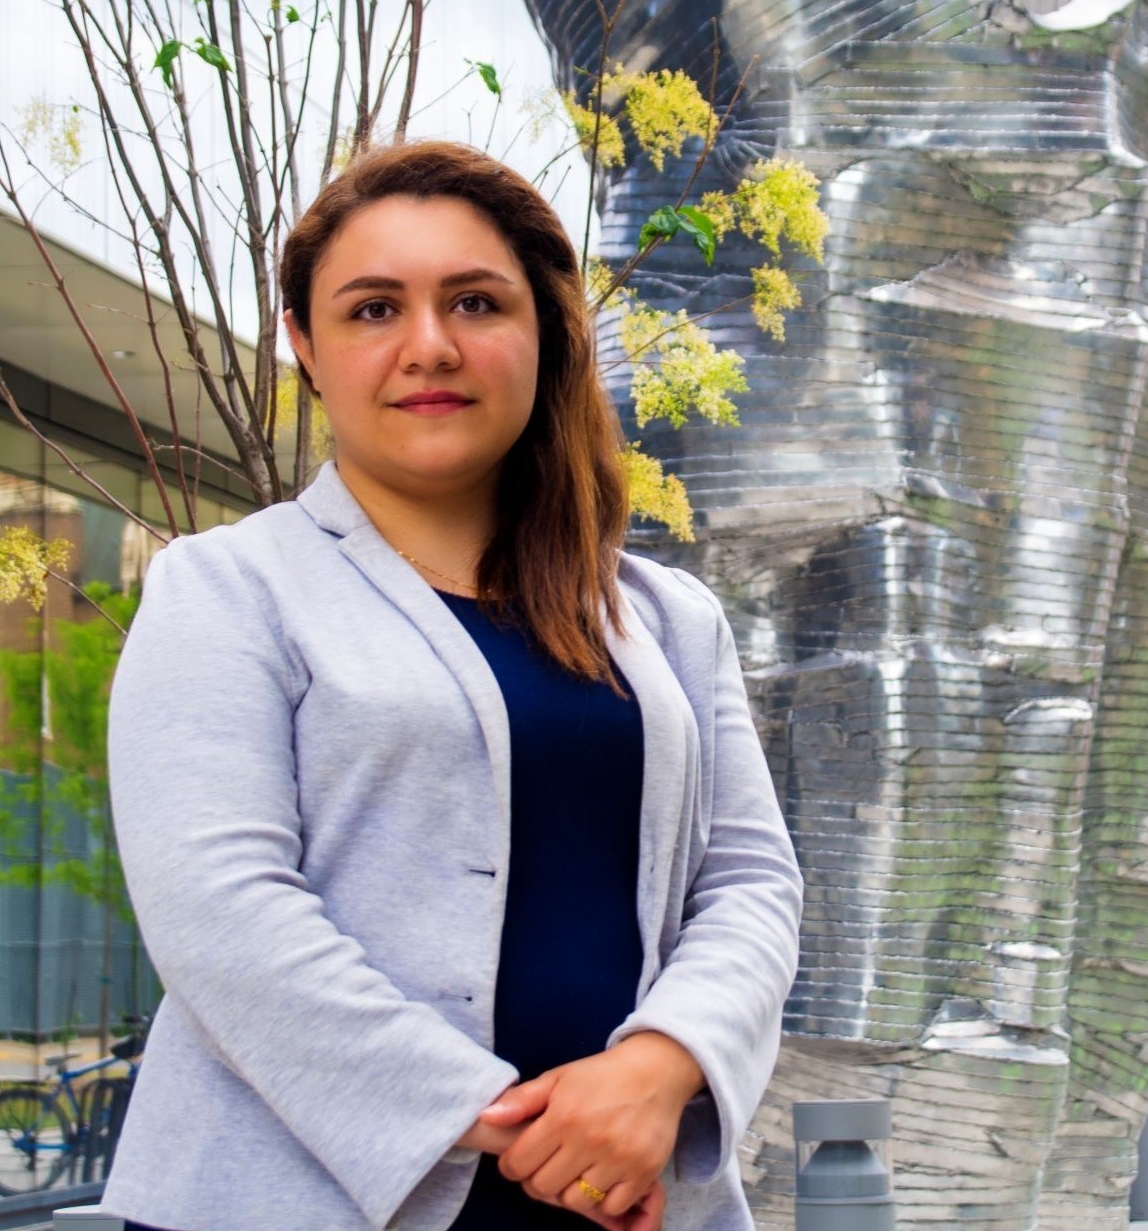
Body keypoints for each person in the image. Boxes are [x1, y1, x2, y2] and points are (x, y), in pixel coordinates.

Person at [101, 141, 803, 1231]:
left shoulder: (664, 617)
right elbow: (221, 914)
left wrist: (661, 1067)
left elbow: (750, 882)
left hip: (624, 1192)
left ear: (546, 331)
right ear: (305, 345)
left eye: (475, 302)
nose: (429, 346)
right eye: (372, 310)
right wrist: (514, 1121)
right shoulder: (226, 590)